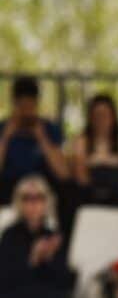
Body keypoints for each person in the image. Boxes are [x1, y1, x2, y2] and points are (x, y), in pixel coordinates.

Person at [0, 175, 73, 298]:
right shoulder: (9, 235)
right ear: (19, 202)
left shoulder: (53, 236)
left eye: (39, 197)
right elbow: (5, 278)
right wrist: (32, 258)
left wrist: (49, 259)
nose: (33, 204)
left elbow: (64, 280)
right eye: (27, 198)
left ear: (47, 202)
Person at [0, 76, 66, 205]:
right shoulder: (3, 128)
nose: (26, 113)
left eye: (30, 107)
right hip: (9, 187)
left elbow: (62, 173)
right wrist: (5, 138)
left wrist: (42, 139)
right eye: (22, 107)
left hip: (41, 187)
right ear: (14, 104)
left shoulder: (49, 129)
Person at [71, 93, 118, 207]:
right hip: (89, 199)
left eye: (105, 115)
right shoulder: (81, 142)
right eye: (97, 115)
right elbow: (81, 178)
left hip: (117, 200)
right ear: (90, 118)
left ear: (113, 117)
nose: (101, 120)